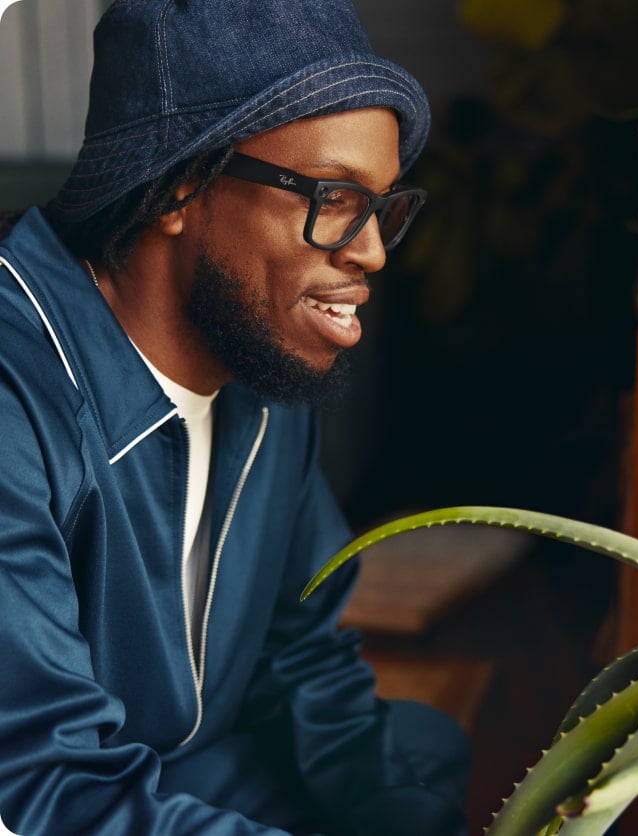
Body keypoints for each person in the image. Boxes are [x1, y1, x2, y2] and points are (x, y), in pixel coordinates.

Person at [0, 1, 471, 833]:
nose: (369, 251)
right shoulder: (18, 391)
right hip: (57, 793)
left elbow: (303, 658)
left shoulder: (256, 360)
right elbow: (41, 789)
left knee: (419, 762)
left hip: (192, 764)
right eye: (335, 198)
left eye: (384, 208)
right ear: (180, 186)